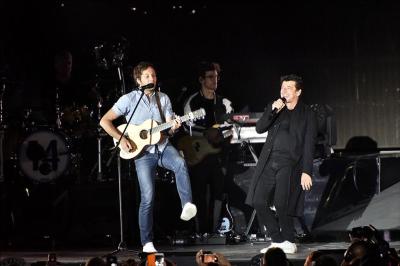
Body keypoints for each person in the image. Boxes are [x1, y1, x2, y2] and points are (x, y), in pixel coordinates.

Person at [99, 61, 197, 253]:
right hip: (141, 153)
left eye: (153, 75)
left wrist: (175, 126)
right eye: (147, 76)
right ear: (138, 80)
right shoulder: (128, 100)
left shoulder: (164, 99)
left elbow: (169, 126)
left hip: (162, 146)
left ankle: (187, 204)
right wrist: (121, 138)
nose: (151, 79)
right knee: (148, 196)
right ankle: (147, 243)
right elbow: (105, 121)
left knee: (180, 163)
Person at [245, 74, 317, 254]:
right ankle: (277, 240)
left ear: (298, 91)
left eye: (288, 88)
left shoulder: (308, 114)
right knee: (258, 200)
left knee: (281, 203)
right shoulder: (277, 108)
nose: (284, 91)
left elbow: (309, 144)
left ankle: (289, 240)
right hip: (269, 161)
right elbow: (260, 128)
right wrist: (272, 110)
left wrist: (307, 171)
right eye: (282, 88)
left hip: (290, 164)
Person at [181, 61, 233, 234]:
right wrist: (207, 133)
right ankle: (200, 231)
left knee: (219, 193)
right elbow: (186, 128)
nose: (214, 80)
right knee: (199, 193)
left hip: (219, 155)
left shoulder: (225, 103)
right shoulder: (192, 102)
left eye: (216, 77)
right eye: (210, 77)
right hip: (198, 155)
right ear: (201, 80)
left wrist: (221, 134)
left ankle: (214, 230)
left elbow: (230, 128)